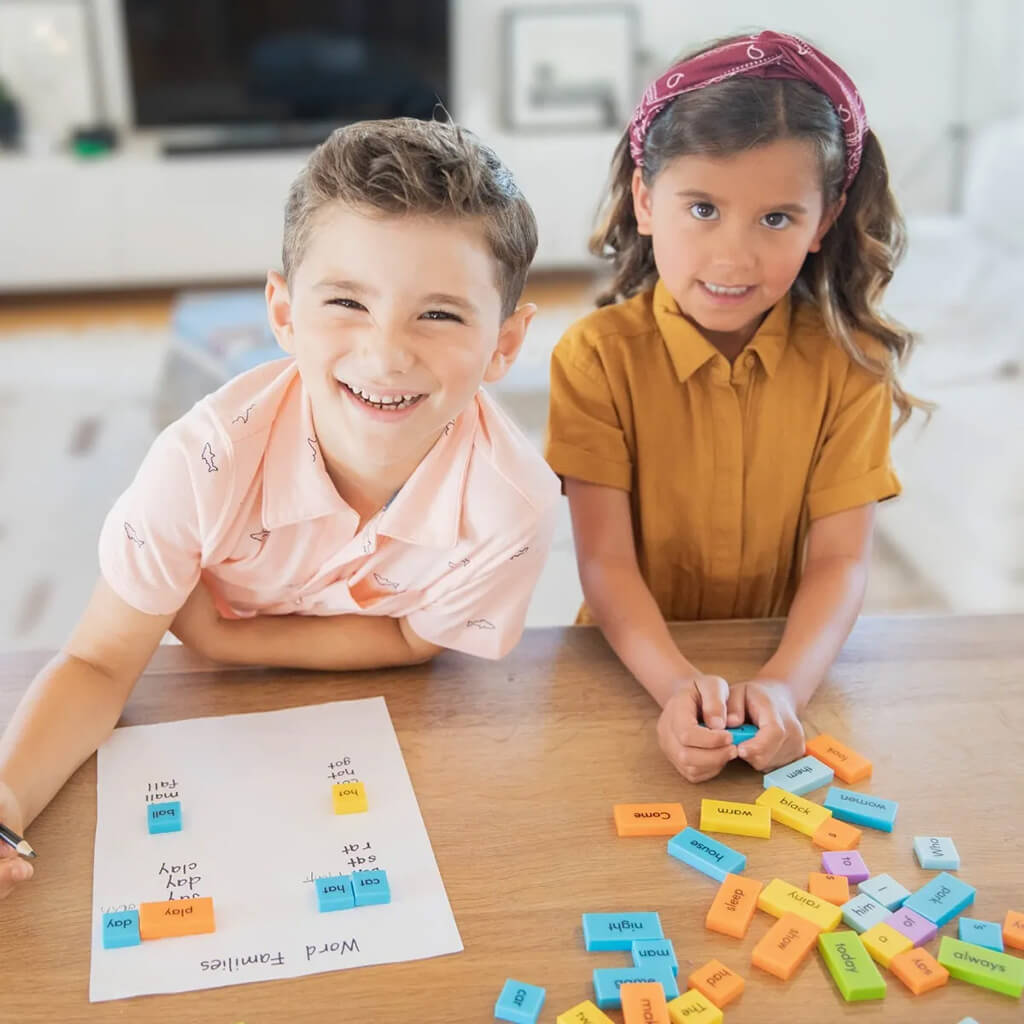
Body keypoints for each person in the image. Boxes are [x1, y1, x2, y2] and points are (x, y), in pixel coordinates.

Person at [0, 118, 559, 898]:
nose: (387, 353)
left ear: (505, 343)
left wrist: (219, 638)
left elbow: (415, 641)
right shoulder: (198, 468)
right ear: (284, 312)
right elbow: (97, 662)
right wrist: (9, 800)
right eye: (345, 302)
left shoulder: (514, 510)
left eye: (440, 314)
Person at [545, 31, 924, 783]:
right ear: (646, 201)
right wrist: (675, 684)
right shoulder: (593, 358)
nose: (733, 257)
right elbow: (606, 562)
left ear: (824, 222)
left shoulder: (852, 369)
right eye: (704, 208)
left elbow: (841, 560)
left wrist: (785, 684)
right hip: (629, 669)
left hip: (792, 668)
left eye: (777, 218)